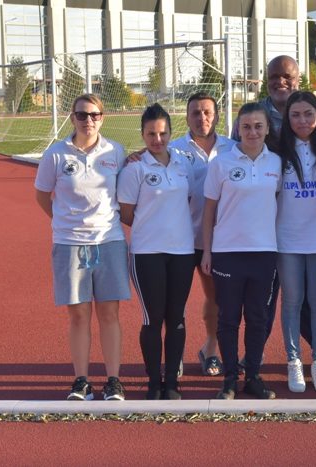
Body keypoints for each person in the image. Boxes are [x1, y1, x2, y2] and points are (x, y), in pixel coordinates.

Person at [233, 55, 316, 377]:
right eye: (274, 77)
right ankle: (254, 357)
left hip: (314, 229)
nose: (280, 82)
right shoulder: (254, 113)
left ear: (298, 79)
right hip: (272, 229)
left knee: (314, 301)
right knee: (268, 302)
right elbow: (234, 153)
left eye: (287, 77)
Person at [34, 93, 129, 401]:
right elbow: (42, 196)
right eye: (82, 114)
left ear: (103, 117)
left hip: (109, 241)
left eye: (94, 115)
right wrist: (65, 221)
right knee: (78, 315)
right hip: (70, 244)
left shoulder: (116, 151)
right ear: (72, 117)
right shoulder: (56, 154)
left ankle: (113, 380)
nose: (88, 120)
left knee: (109, 314)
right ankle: (82, 381)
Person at [201, 102, 281, 400]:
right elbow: (209, 211)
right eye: (246, 126)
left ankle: (254, 377)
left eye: (258, 126)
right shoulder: (221, 163)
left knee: (258, 318)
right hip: (228, 252)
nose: (252, 132)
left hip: (264, 252)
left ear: (267, 128)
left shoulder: (276, 163)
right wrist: (207, 251)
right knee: (228, 318)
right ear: (238, 129)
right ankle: (230, 379)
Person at [117, 104, 196, 400]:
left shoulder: (183, 163)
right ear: (142, 134)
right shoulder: (135, 168)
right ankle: (154, 381)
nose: (157, 139)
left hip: (182, 252)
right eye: (151, 134)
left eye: (162, 133)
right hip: (147, 253)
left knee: (177, 318)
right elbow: (126, 212)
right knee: (153, 318)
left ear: (171, 133)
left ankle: (172, 381)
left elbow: (188, 199)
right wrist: (152, 225)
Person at [168, 93, 234, 377]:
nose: (202, 118)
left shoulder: (233, 148)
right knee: (175, 301)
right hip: (181, 238)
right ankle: (175, 355)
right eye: (195, 112)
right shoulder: (172, 149)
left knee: (216, 299)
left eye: (207, 112)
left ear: (217, 116)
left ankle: (210, 349)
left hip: (218, 239)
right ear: (186, 117)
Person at [276, 91, 316, 393]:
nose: (302, 121)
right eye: (295, 115)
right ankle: (294, 361)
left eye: (308, 114)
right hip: (288, 240)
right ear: (287, 118)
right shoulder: (276, 151)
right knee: (292, 302)